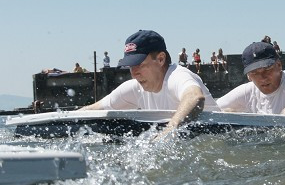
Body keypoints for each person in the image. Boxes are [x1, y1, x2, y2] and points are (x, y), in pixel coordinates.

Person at [79, 30, 220, 136]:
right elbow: (93, 110)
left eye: (139, 64)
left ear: (160, 59)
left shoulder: (178, 76)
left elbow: (195, 97)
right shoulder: (135, 88)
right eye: (130, 67)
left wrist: (168, 134)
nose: (134, 73)